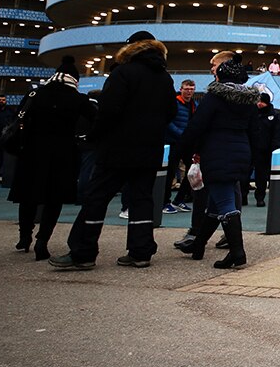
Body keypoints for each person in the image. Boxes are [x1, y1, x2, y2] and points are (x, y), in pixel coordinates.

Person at [49, 31, 177, 270]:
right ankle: (141, 251)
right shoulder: (164, 78)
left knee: (97, 197)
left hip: (118, 147)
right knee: (141, 199)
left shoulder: (122, 73)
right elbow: (171, 111)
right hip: (149, 149)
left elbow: (108, 111)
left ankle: (83, 252)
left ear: (131, 49)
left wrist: (95, 136)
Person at [176, 54, 259, 268]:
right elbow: (254, 130)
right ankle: (199, 245)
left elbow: (197, 125)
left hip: (217, 151)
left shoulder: (214, 98)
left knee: (224, 203)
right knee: (215, 203)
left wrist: (182, 149)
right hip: (240, 151)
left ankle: (237, 253)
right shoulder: (249, 101)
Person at [11, 57, 96, 260]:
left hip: (32, 152)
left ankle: (24, 237)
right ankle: (43, 241)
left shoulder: (35, 94)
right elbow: (96, 120)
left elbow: (18, 116)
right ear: (74, 79)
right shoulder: (78, 99)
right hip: (63, 155)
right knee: (54, 199)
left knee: (28, 196)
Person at [163, 79, 198, 214]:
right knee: (170, 172)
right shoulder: (174, 103)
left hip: (187, 143)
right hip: (173, 142)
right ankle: (165, 202)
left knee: (192, 171)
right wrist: (181, 134)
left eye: (191, 89)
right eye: (187, 89)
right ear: (181, 89)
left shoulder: (194, 105)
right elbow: (168, 122)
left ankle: (179, 200)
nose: (189, 91)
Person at [244, 92, 280, 207]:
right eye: (258, 101)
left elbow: (277, 134)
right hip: (249, 149)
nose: (260, 104)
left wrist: (273, 148)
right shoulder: (250, 113)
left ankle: (260, 198)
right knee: (244, 174)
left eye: (262, 102)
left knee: (261, 176)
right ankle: (243, 196)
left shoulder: (274, 115)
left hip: (264, 150)